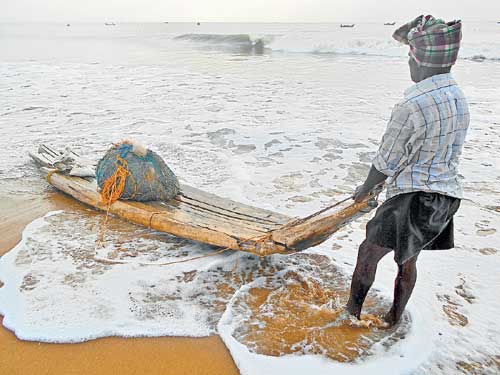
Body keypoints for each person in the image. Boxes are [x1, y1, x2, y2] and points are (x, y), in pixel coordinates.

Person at [346, 15, 469, 326]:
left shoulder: (412, 104)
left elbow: (386, 160)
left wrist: (366, 188)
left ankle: (349, 316)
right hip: (445, 197)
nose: (408, 64)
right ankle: (393, 320)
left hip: (411, 199)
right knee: (407, 260)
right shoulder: (458, 98)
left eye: (409, 57)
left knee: (368, 254)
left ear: (421, 62)